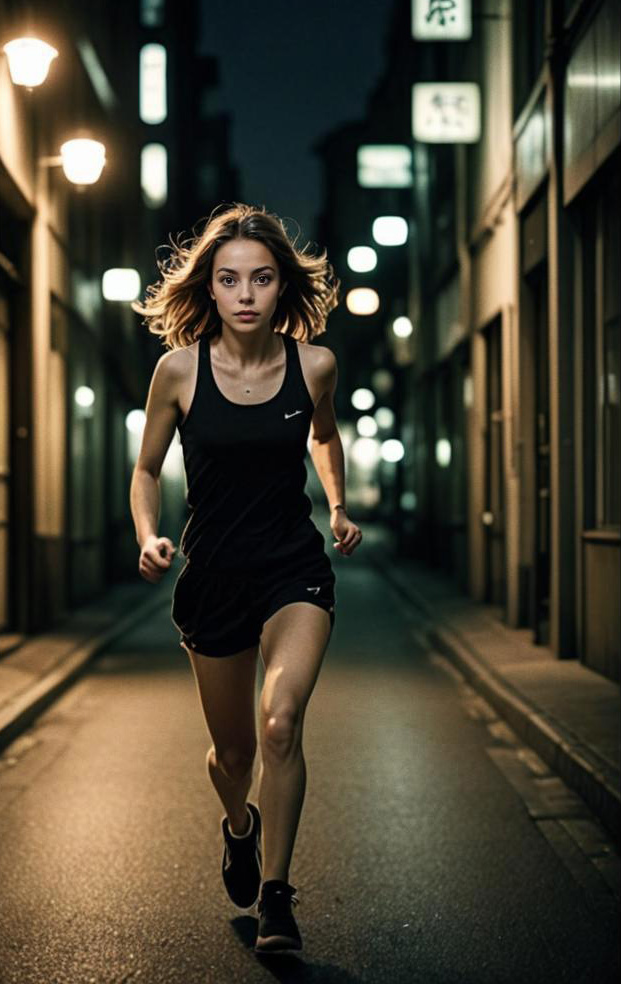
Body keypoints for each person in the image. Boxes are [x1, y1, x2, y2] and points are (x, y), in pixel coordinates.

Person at [129, 202, 362, 954]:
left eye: (261, 278)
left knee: (280, 722)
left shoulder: (314, 365)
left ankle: (277, 898)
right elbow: (145, 470)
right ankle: (239, 827)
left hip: (293, 570)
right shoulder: (179, 370)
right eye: (229, 280)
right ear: (212, 289)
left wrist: (337, 505)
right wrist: (147, 533)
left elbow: (324, 436)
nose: (247, 294)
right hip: (214, 579)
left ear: (279, 286)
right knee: (233, 756)